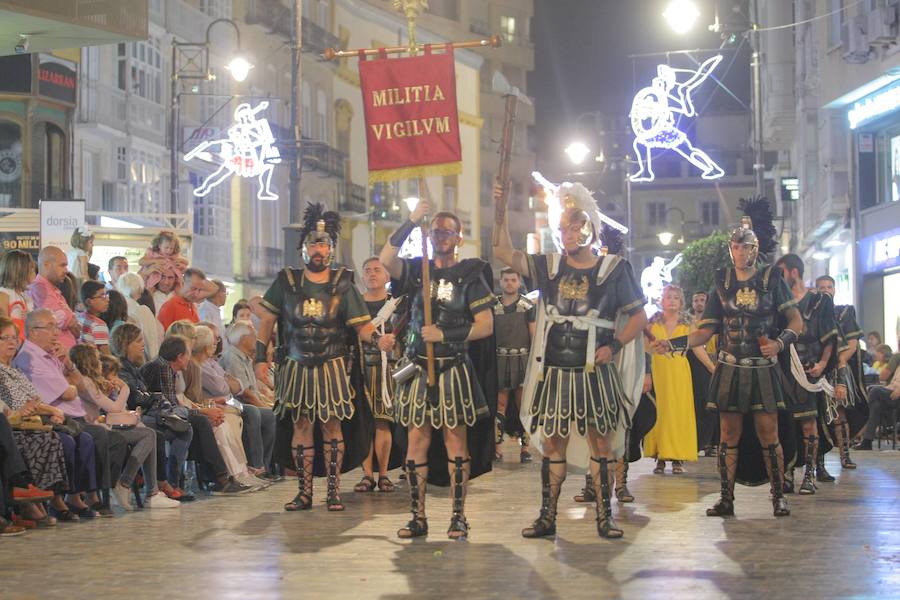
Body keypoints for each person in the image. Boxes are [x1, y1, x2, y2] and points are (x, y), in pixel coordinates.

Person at [495, 179, 646, 539]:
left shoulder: (614, 270)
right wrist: (498, 207)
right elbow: (502, 251)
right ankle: (547, 516)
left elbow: (639, 318)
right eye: (563, 228)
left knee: (602, 443)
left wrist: (615, 345)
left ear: (589, 229)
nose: (567, 233)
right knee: (551, 444)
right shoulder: (549, 267)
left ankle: (604, 517)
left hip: (596, 369)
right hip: (556, 371)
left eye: (575, 226)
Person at [652, 198, 801, 518]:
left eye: (745, 247)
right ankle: (726, 498)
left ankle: (778, 496)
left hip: (762, 369)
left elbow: (796, 321)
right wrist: (674, 343)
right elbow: (705, 331)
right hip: (730, 368)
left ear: (755, 249)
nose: (740, 252)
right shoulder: (721, 282)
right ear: (730, 249)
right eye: (735, 247)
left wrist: (779, 343)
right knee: (728, 437)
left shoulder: (771, 279)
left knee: (769, 435)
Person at [380, 200, 495, 540]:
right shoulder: (418, 270)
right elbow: (386, 259)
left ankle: (458, 517)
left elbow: (485, 325)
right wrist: (413, 219)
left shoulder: (470, 275)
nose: (441, 236)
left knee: (455, 442)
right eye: (436, 231)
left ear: (459, 238)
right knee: (416, 441)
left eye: (448, 231)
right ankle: (418, 516)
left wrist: (445, 334)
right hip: (417, 366)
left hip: (452, 366)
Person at [255, 203, 377, 512]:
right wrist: (259, 359)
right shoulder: (286, 282)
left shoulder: (344, 283)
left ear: (332, 249)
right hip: (295, 364)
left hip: (332, 365)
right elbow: (266, 322)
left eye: (323, 243)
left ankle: (333, 492)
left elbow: (362, 327)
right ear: (303, 249)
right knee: (301, 426)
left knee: (332, 428)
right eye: (313, 243)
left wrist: (380, 339)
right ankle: (304, 492)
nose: (318, 248)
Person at [13, 309, 125, 518]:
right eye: (50, 327)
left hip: (71, 415)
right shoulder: (30, 358)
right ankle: (67, 498)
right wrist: (70, 386)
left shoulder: (51, 354)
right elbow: (68, 391)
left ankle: (83, 496)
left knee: (100, 438)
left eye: (56, 326)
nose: (56, 332)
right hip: (52, 417)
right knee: (85, 438)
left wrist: (68, 364)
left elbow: (79, 386)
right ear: (33, 331)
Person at [68, 345, 179, 510]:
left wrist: (112, 390)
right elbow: (114, 408)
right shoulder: (86, 382)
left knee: (150, 434)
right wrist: (125, 388)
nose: (100, 362)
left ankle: (148, 490)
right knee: (148, 435)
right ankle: (130, 485)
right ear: (90, 362)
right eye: (97, 359)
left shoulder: (90, 382)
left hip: (102, 425)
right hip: (97, 428)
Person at [141, 334, 250, 495]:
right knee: (204, 422)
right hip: (157, 415)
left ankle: (230, 475)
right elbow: (171, 407)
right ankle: (222, 478)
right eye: (188, 353)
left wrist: (204, 409)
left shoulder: (174, 368)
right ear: (179, 357)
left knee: (215, 421)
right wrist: (204, 410)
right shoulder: (165, 368)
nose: (189, 357)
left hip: (173, 411)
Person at [775, 254, 839, 494]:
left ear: (793, 272)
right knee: (785, 424)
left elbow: (829, 335)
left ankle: (809, 475)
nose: (779, 279)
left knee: (808, 423)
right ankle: (788, 473)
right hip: (784, 369)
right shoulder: (781, 303)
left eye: (782, 273)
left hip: (809, 369)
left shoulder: (819, 301)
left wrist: (823, 364)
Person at [109, 323, 192, 501]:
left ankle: (170, 483)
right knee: (157, 433)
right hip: (129, 417)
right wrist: (155, 398)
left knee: (185, 427)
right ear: (125, 344)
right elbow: (134, 398)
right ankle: (158, 486)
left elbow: (143, 394)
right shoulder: (121, 368)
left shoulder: (133, 368)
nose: (143, 345)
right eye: (138, 341)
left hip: (143, 414)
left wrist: (153, 398)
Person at [352, 257, 403, 494]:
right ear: (363, 277)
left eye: (377, 270)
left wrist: (397, 342)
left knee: (383, 421)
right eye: (367, 270)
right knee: (364, 423)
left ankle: (383, 474)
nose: (372, 274)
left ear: (387, 276)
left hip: (386, 371)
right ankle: (366, 475)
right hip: (360, 368)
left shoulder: (397, 306)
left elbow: (407, 337)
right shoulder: (355, 307)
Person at [815, 274, 866, 472]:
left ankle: (845, 455)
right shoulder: (812, 313)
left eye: (829, 286)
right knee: (817, 416)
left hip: (838, 369)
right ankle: (819, 464)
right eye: (821, 287)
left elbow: (852, 344)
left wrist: (840, 363)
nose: (826, 290)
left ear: (834, 289)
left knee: (840, 414)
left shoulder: (844, 313)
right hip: (818, 370)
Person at [644, 284, 697, 474]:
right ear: (662, 300)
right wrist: (645, 372)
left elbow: (697, 347)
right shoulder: (652, 323)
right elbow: (645, 349)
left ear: (681, 302)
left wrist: (711, 366)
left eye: (676, 297)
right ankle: (659, 455)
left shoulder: (688, 324)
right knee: (659, 411)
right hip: (658, 369)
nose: (672, 300)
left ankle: (677, 457)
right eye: (668, 297)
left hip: (678, 370)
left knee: (678, 412)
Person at [220, 320, 279, 478]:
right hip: (235, 403)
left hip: (248, 402)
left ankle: (265, 467)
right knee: (266, 414)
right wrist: (263, 406)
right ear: (243, 339)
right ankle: (257, 467)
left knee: (272, 414)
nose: (256, 339)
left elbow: (253, 390)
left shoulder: (245, 358)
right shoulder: (232, 357)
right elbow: (244, 393)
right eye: (253, 336)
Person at [492, 268, 535, 463]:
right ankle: (497, 448)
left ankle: (525, 448)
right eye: (506, 280)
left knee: (523, 405)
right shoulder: (492, 306)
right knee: (500, 405)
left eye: (513, 279)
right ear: (501, 282)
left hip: (523, 359)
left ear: (518, 282)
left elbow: (533, 335)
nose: (509, 283)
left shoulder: (527, 306)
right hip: (500, 359)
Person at [28, 246, 81, 350]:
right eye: (62, 265)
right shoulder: (40, 288)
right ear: (47, 265)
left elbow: (75, 327)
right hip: (55, 357)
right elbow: (67, 322)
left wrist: (71, 322)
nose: (66, 270)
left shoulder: (53, 289)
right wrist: (70, 321)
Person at [687, 291, 718, 455]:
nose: (699, 303)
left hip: (715, 362)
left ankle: (711, 442)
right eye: (696, 300)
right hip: (696, 366)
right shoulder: (689, 323)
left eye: (702, 300)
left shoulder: (713, 323)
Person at [117, 273, 164, 361]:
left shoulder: (117, 308)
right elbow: (151, 342)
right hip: (140, 360)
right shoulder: (142, 310)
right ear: (139, 288)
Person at [138, 230, 190, 300]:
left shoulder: (174, 256)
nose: (169, 251)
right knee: (150, 288)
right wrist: (154, 261)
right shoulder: (153, 253)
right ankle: (148, 301)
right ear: (159, 246)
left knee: (179, 287)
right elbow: (141, 261)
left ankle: (180, 300)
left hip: (173, 275)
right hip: (155, 273)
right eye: (166, 248)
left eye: (171, 248)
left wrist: (180, 261)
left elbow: (186, 262)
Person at [0, 250, 36, 343]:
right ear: (20, 271)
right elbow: (3, 325)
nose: (34, 271)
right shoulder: (4, 294)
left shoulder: (23, 295)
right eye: (31, 268)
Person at [78, 280, 112, 355]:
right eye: (102, 296)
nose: (107, 300)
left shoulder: (79, 317)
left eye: (106, 295)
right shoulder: (98, 325)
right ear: (89, 302)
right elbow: (107, 355)